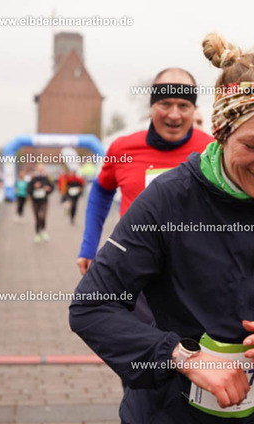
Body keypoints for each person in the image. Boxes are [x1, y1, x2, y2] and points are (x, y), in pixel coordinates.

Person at [69, 33, 254, 424]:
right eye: (253, 145)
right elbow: (92, 306)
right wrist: (183, 358)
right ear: (221, 132)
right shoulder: (168, 198)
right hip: (169, 414)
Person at [77, 67, 213, 275]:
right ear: (152, 106)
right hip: (133, 271)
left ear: (194, 110)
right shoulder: (122, 149)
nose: (174, 115)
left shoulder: (213, 151)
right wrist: (89, 247)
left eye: (183, 105)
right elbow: (102, 190)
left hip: (193, 274)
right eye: (165, 104)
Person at [27, 164, 53, 242]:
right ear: (37, 169)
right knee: (37, 217)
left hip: (44, 201)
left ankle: (43, 231)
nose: (41, 170)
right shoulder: (33, 178)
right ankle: (37, 233)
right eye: (39, 169)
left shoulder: (46, 178)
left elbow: (52, 187)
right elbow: (28, 189)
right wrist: (34, 187)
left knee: (43, 216)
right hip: (35, 201)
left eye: (42, 169)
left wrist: (48, 189)